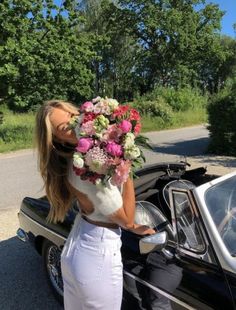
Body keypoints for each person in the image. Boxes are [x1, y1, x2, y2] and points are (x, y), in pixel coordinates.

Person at [35, 99, 155, 310]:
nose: (75, 124)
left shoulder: (77, 160)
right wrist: (125, 162)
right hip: (97, 256)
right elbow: (127, 219)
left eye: (73, 116)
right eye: (64, 127)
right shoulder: (87, 171)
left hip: (78, 246)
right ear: (56, 138)